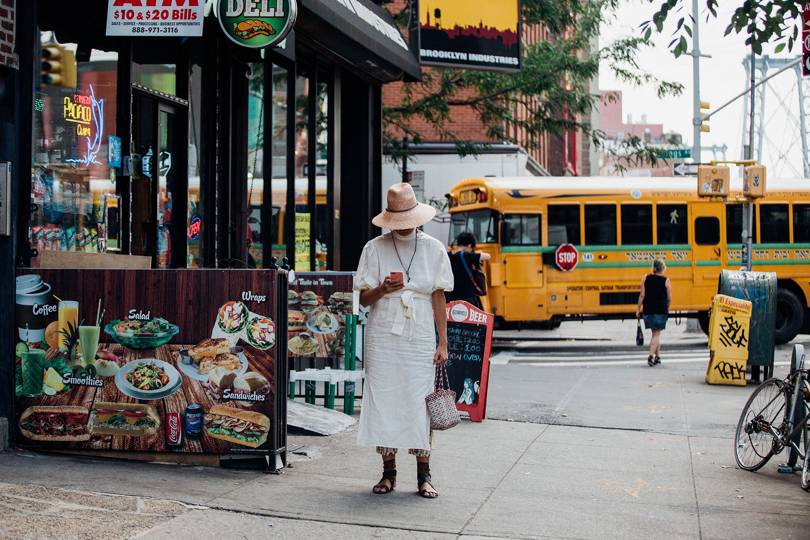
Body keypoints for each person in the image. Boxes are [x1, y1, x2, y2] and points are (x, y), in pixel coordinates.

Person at [354, 183, 454, 499]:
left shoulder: (434, 249)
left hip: (420, 332)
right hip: (382, 334)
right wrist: (382, 289)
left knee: (419, 400)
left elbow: (438, 296)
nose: (403, 226)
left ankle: (424, 475)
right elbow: (362, 300)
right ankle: (388, 473)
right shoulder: (374, 248)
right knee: (384, 397)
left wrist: (443, 342)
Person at [636, 258, 672, 367]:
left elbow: (642, 295)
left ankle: (658, 357)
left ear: (654, 268)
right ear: (663, 269)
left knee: (655, 334)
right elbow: (669, 298)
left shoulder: (645, 278)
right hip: (660, 311)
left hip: (648, 310)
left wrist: (638, 309)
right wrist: (667, 309)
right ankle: (651, 356)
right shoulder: (666, 280)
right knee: (656, 334)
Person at [446, 232, 491, 309]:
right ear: (470, 245)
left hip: (451, 297)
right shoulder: (467, 256)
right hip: (468, 298)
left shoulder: (448, 255)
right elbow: (488, 256)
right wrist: (474, 254)